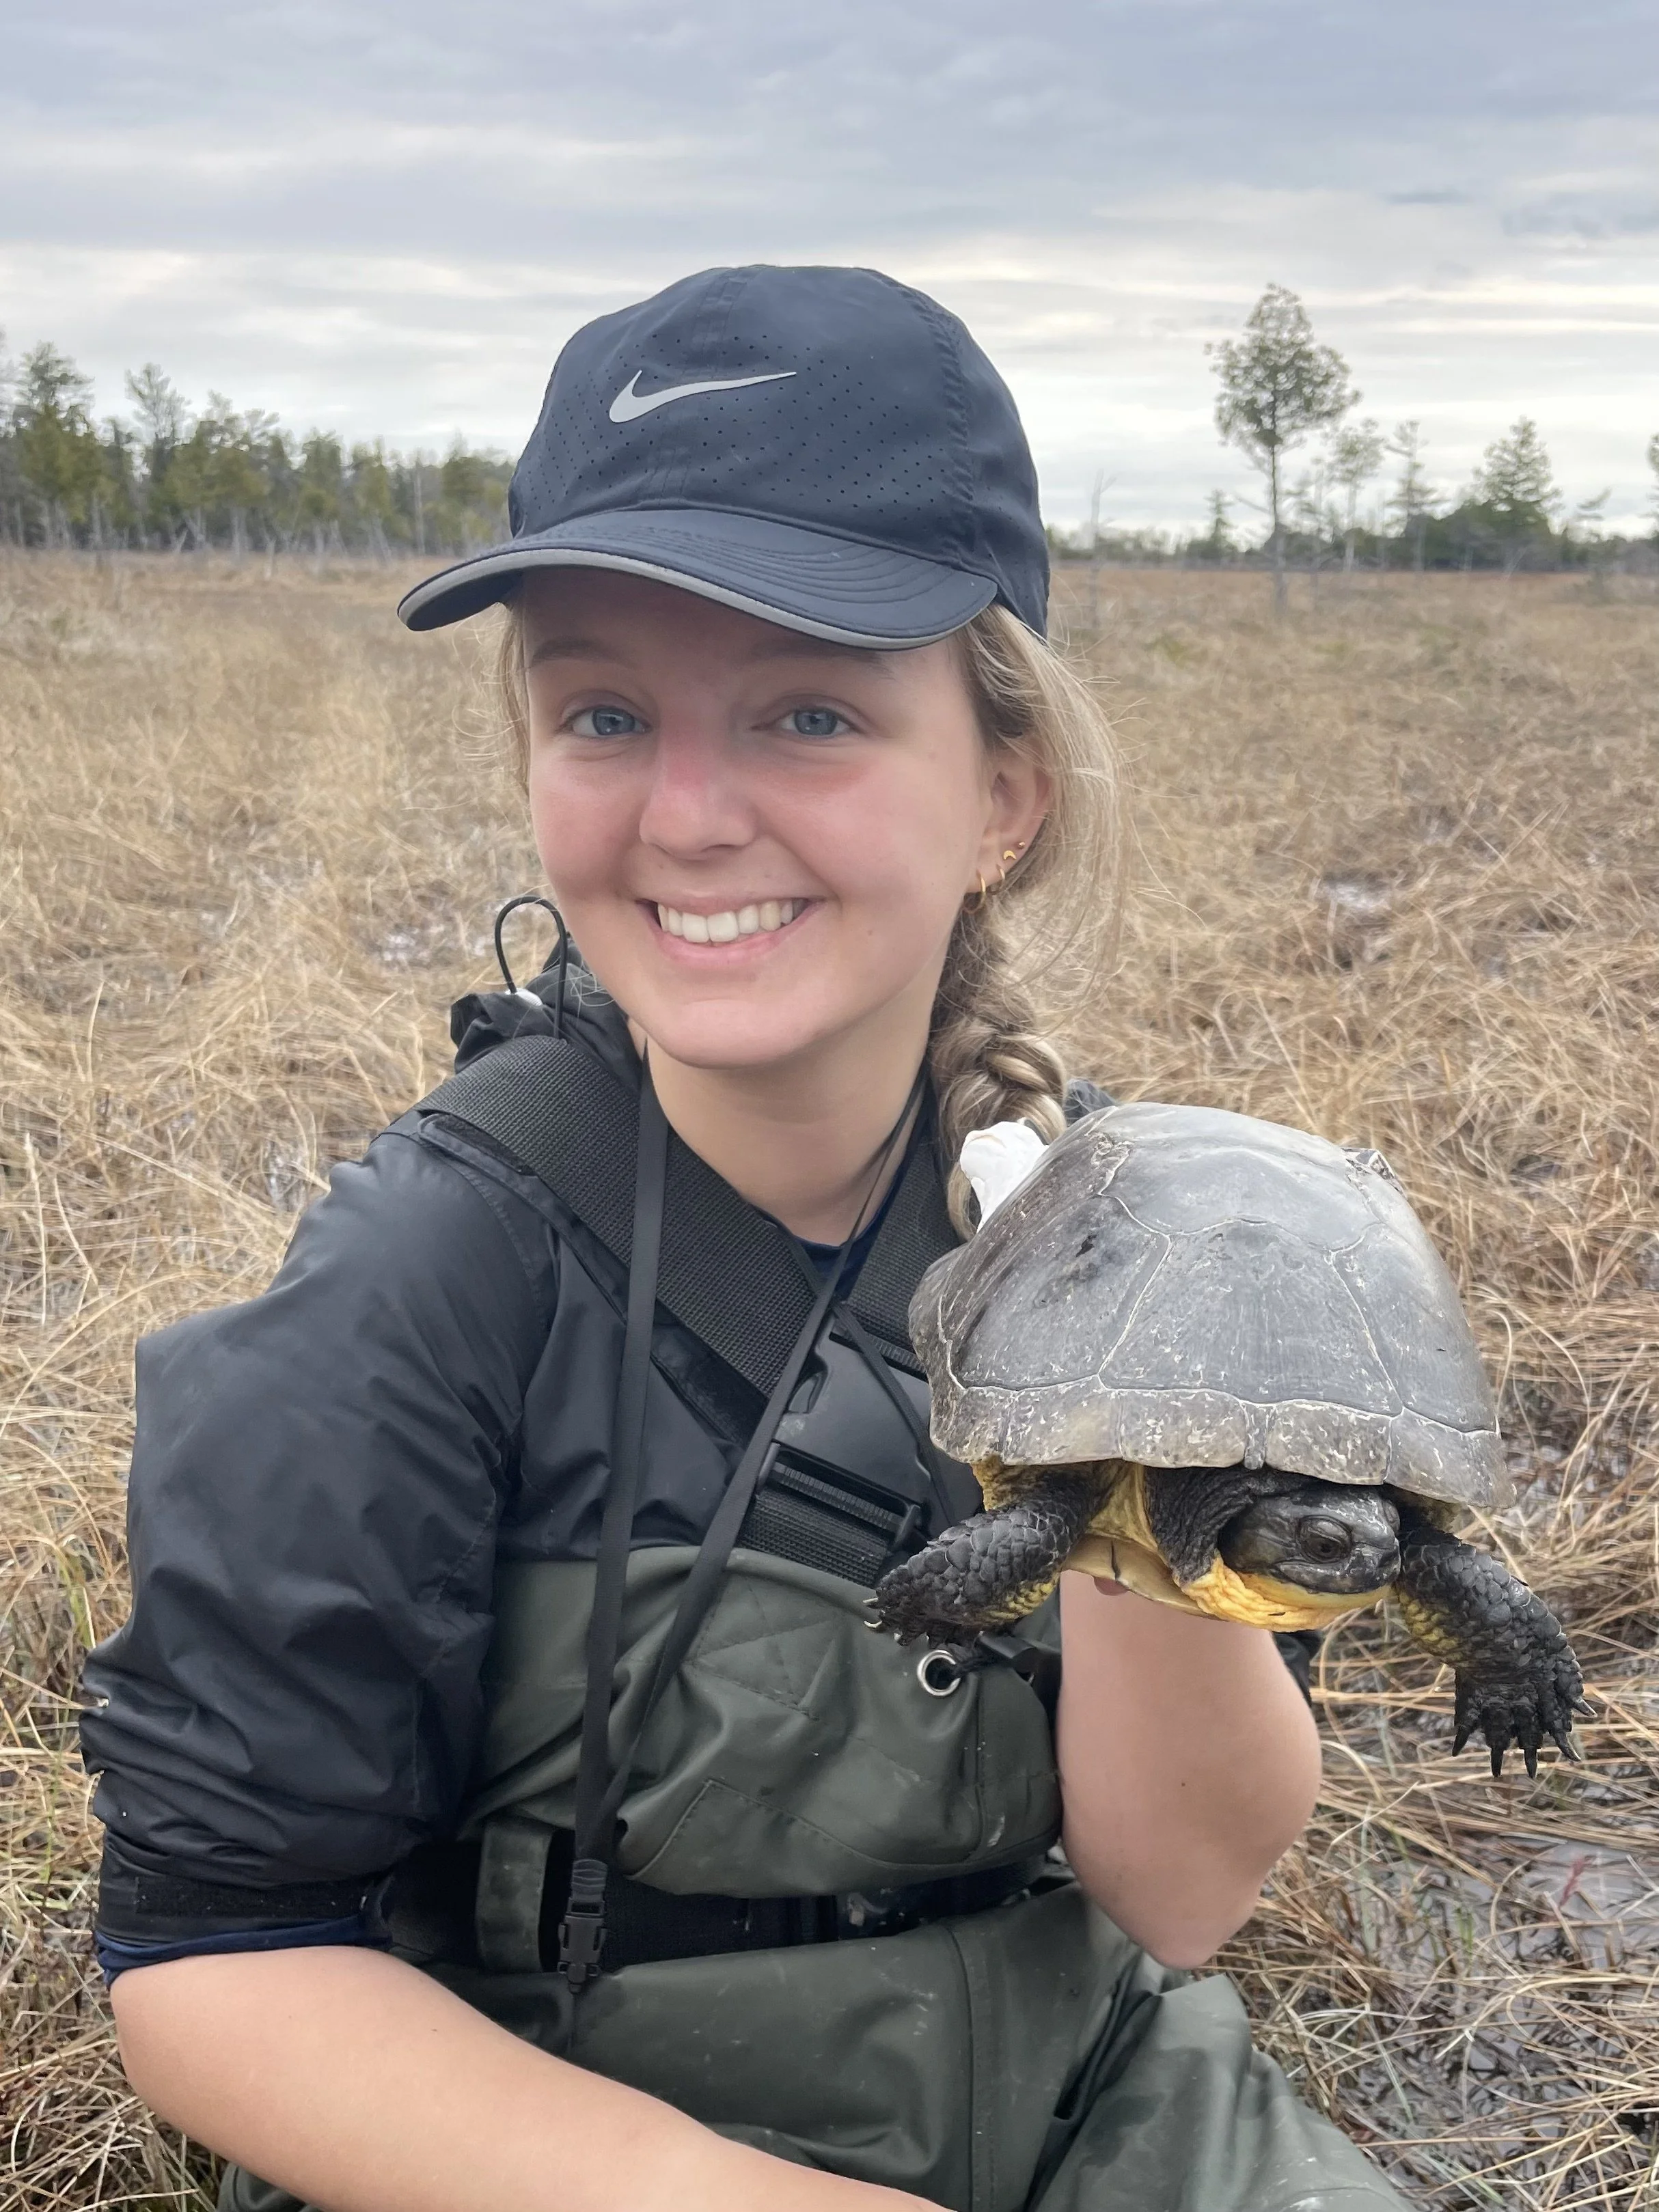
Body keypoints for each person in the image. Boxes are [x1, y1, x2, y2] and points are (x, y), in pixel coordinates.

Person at [83, 264, 1406, 2212]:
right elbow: (212, 1959)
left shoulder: (1135, 1235)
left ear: (1002, 795)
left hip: (1087, 2102)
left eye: (807, 710)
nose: (691, 813)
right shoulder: (423, 1278)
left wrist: (1118, 1421)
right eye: (605, 710)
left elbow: (1182, 1888)